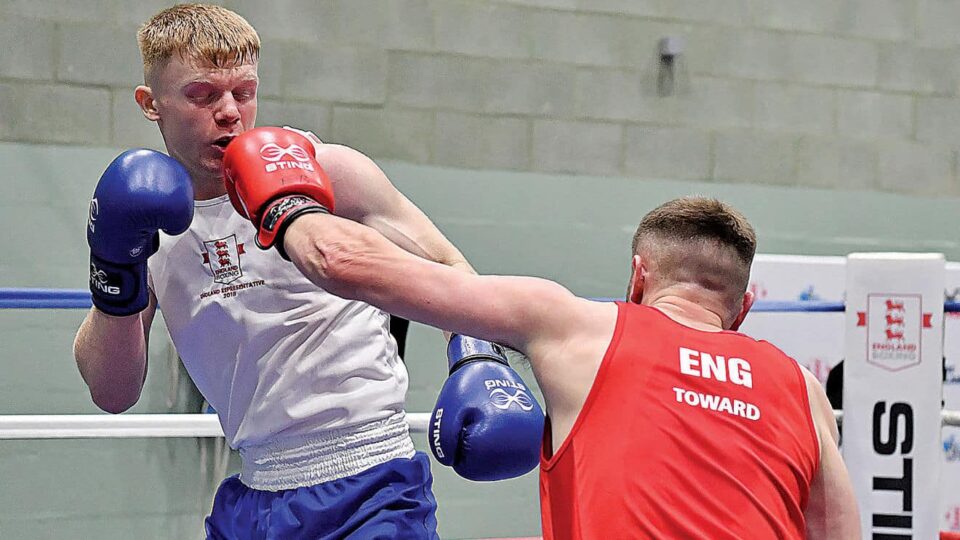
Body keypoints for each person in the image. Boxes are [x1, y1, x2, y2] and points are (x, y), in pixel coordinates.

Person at [222, 145, 861, 539]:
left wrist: (285, 206)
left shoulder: (581, 326)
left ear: (639, 275)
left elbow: (346, 265)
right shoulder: (800, 389)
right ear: (745, 305)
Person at [73, 4, 543, 538]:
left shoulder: (324, 169)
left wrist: (476, 355)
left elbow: (445, 263)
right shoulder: (143, 219)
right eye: (203, 95)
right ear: (150, 104)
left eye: (243, 93)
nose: (229, 112)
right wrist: (113, 272)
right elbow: (112, 393)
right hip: (253, 491)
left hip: (371, 483)